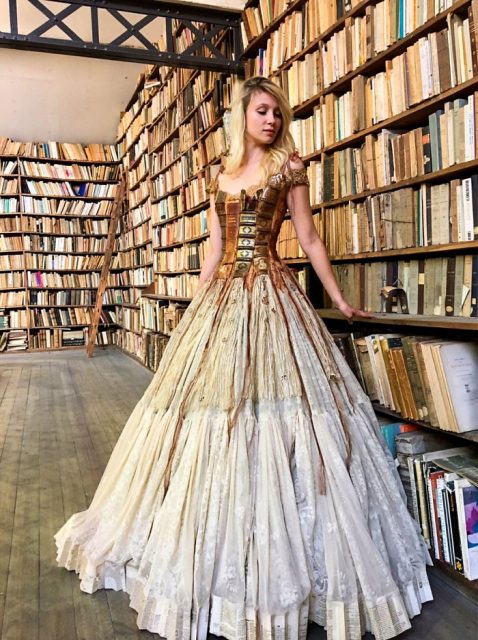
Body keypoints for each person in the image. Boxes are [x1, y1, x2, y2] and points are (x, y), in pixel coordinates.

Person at [55, 76, 432, 640]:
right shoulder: (221, 176)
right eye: (262, 111)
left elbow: (307, 238)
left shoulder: (289, 169)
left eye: (277, 113)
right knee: (210, 411)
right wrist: (194, 308)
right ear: (242, 116)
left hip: (273, 297)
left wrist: (338, 298)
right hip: (223, 302)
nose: (272, 121)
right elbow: (213, 249)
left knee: (287, 412)